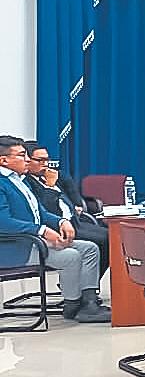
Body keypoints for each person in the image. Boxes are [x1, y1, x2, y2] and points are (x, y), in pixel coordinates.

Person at [0, 135, 108, 322]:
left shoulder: (20, 181)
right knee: (71, 256)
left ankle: (89, 303)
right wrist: (41, 231)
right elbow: (3, 222)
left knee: (89, 249)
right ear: (4, 160)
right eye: (22, 155)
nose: (27, 160)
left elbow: (40, 212)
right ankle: (73, 305)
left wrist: (60, 222)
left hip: (34, 241)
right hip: (16, 247)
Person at [22, 142, 108, 276]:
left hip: (74, 222)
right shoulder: (26, 182)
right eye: (40, 160)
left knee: (111, 235)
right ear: (27, 160)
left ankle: (89, 282)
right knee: (103, 241)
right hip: (56, 227)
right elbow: (47, 210)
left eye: (47, 160)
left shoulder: (55, 175)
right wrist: (50, 186)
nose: (45, 164)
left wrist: (77, 205)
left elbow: (72, 192)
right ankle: (84, 283)